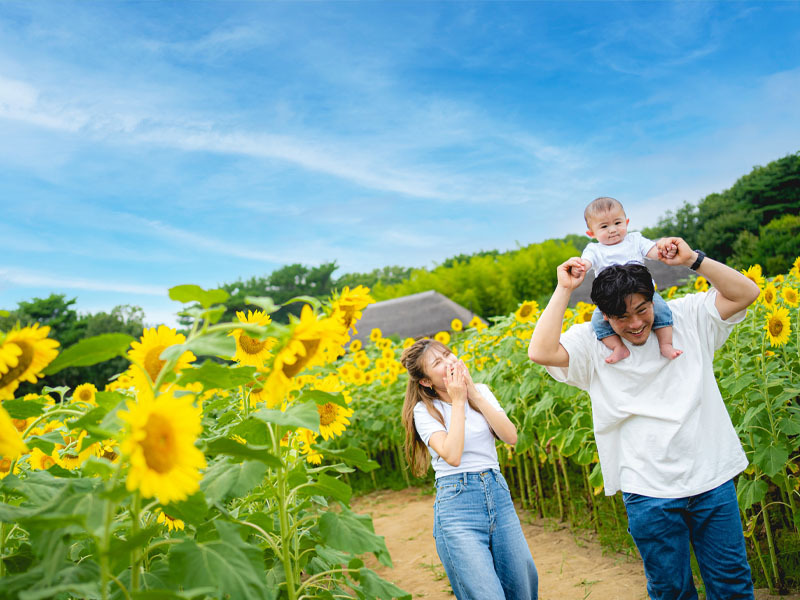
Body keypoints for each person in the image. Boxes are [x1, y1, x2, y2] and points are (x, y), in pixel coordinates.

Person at [528, 237, 761, 599]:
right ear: (604, 316)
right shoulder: (592, 343)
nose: (636, 324)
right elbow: (540, 350)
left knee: (732, 583)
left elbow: (745, 292)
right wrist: (563, 289)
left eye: (643, 309)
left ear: (655, 299)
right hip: (648, 491)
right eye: (622, 317)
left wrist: (694, 260)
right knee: (670, 590)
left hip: (711, 478)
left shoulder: (686, 316)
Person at [400, 338, 538, 600]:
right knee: (487, 594)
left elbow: (510, 436)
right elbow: (452, 455)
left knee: (523, 585)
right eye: (438, 363)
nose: (449, 362)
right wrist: (459, 401)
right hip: (457, 505)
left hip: (497, 493)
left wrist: (473, 394)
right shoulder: (424, 410)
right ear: (426, 382)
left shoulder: (482, 391)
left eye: (448, 354)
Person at [581, 196, 681, 363]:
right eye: (604, 226)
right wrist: (581, 266)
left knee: (662, 310)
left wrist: (665, 250)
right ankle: (618, 347)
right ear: (591, 233)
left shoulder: (635, 240)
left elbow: (653, 252)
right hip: (612, 299)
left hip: (643, 293)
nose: (612, 229)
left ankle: (666, 344)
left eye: (617, 223)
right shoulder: (594, 249)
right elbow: (586, 262)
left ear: (626, 222)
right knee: (597, 322)